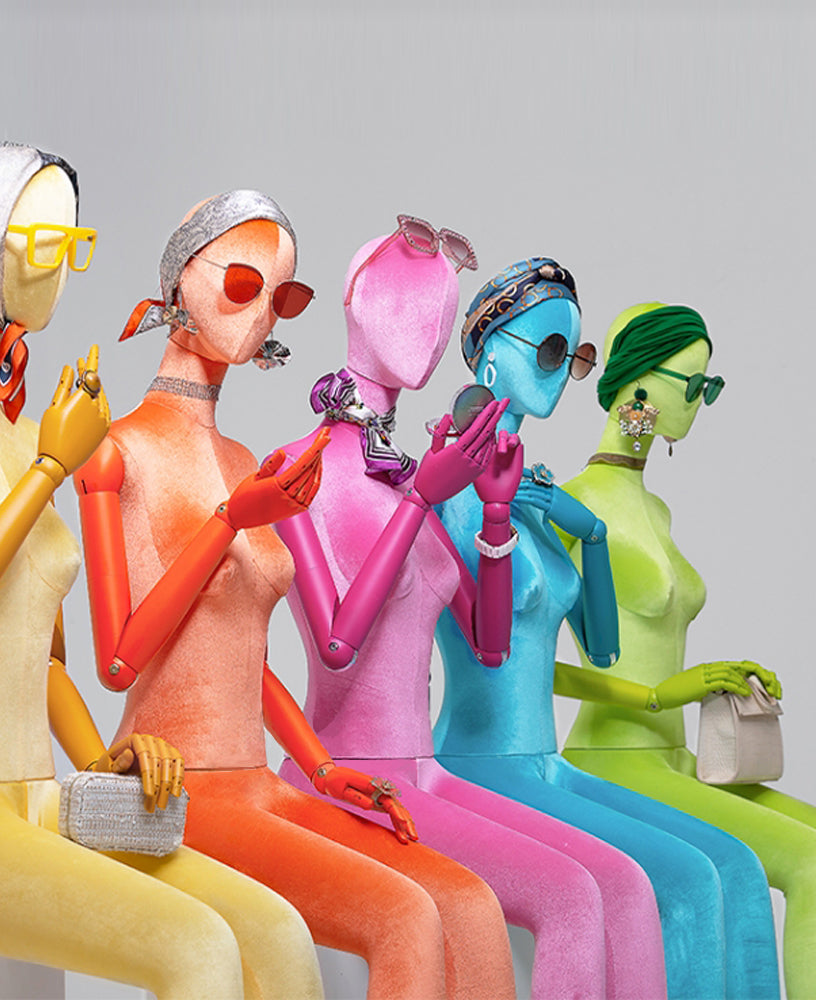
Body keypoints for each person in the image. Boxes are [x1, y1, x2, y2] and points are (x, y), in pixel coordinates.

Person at [0, 146, 321, 999]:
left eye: (73, 243)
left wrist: (100, 761)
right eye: (41, 242)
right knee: (195, 949)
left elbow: (46, 660)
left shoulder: (35, 435)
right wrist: (51, 469)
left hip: (46, 799)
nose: (59, 267)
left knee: (275, 931)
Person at [76, 191, 513, 1000]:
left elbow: (241, 658)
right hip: (173, 785)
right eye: (244, 284)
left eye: (283, 297)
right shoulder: (117, 453)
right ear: (179, 283)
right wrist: (226, 523)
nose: (263, 314)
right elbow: (117, 660)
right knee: (404, 917)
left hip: (262, 779)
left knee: (468, 901)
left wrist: (323, 767)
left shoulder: (249, 462)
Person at [274, 227, 669, 999]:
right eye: (408, 305)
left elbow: (490, 645)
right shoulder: (300, 468)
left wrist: (491, 513)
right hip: (343, 776)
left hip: (426, 771)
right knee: (553, 899)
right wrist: (424, 497)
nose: (425, 332)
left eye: (439, 314)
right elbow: (336, 643)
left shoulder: (412, 478)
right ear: (357, 305)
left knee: (609, 885)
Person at [434, 261, 780, 1000]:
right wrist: (495, 512)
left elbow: (603, 647)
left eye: (577, 355)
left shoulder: (543, 495)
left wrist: (588, 533)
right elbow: (490, 644)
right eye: (552, 350)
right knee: (648, 886)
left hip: (547, 762)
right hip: (477, 762)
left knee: (716, 873)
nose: (565, 372)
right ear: (488, 353)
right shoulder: (453, 491)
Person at [559, 301, 814, 998]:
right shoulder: (572, 504)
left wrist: (722, 676)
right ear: (639, 380)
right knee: (808, 862)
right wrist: (660, 692)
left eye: (709, 386)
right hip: (611, 758)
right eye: (693, 384)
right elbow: (521, 661)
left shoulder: (657, 511)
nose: (700, 401)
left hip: (676, 754)